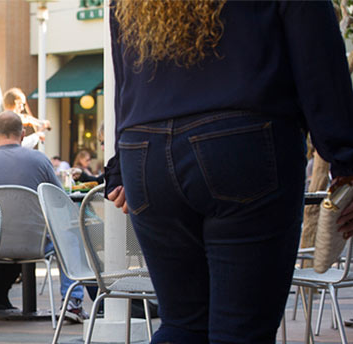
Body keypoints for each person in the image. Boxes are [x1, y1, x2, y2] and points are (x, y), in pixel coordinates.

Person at [106, 2, 353, 343]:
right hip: (242, 142)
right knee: (241, 331)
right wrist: (346, 163)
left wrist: (120, 167)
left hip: (145, 151)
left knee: (182, 324)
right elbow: (320, 64)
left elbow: (125, 79)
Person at [0, 111, 88, 321]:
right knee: (70, 234)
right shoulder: (39, 160)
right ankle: (72, 303)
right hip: (36, 243)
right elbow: (59, 201)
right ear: (22, 134)